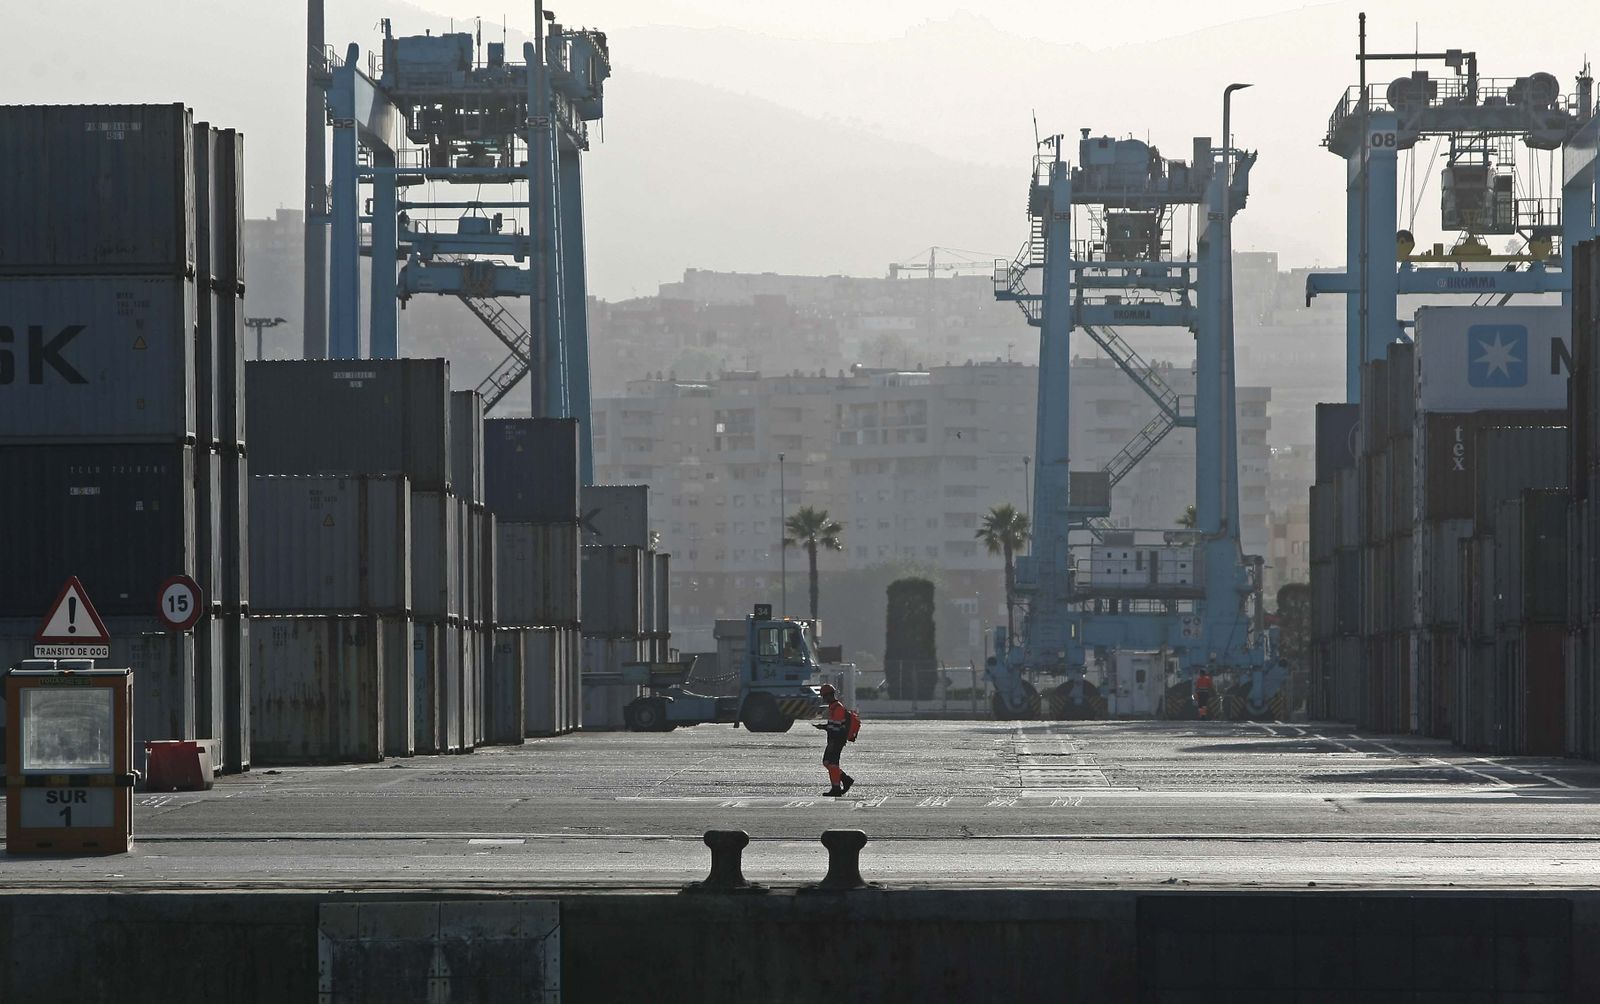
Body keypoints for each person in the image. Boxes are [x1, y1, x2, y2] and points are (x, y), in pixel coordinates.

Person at [811, 683, 854, 796]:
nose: (824, 699)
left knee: (831, 763)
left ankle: (837, 787)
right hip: (834, 740)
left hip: (836, 740)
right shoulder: (833, 707)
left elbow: (836, 728)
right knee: (829, 763)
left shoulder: (838, 708)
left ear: (830, 695)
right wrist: (823, 726)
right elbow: (834, 726)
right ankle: (844, 780)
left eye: (824, 696)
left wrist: (832, 743)